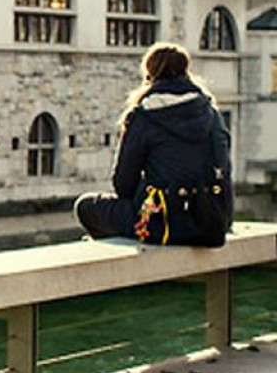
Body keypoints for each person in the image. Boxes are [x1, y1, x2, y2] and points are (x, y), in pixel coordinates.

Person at [75, 42, 234, 246]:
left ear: (150, 74)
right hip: (210, 223)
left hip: (161, 223)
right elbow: (225, 172)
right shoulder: (212, 114)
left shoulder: (144, 116)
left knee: (86, 207)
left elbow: (123, 185)